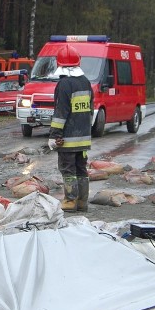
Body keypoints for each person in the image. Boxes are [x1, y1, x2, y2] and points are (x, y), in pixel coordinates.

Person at [47, 45, 93, 212]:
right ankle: (82, 202)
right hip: (84, 138)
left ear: (60, 64)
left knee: (68, 170)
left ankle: (69, 201)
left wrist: (54, 135)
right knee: (81, 169)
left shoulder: (64, 84)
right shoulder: (86, 82)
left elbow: (60, 113)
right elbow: (89, 110)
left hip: (67, 139)